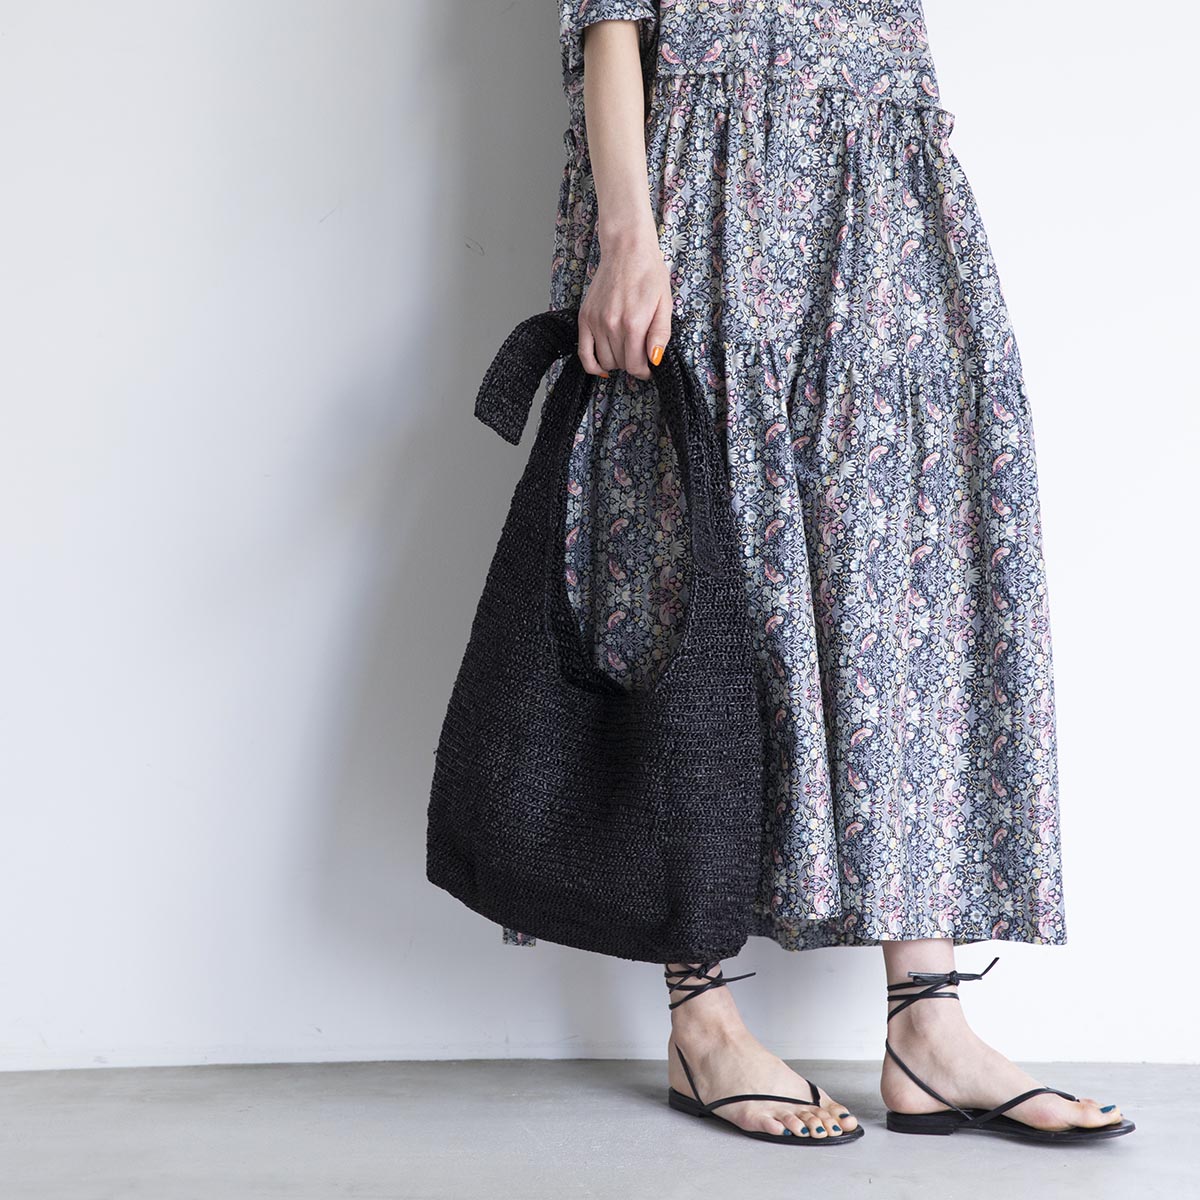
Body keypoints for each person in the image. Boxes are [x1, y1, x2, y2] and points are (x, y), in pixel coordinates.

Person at [500, 1, 1133, 1144]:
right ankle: (701, 1017)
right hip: (705, 164)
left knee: (908, 567)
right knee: (696, 564)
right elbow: (607, 17)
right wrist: (628, 232)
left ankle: (928, 1025)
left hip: (887, 173)